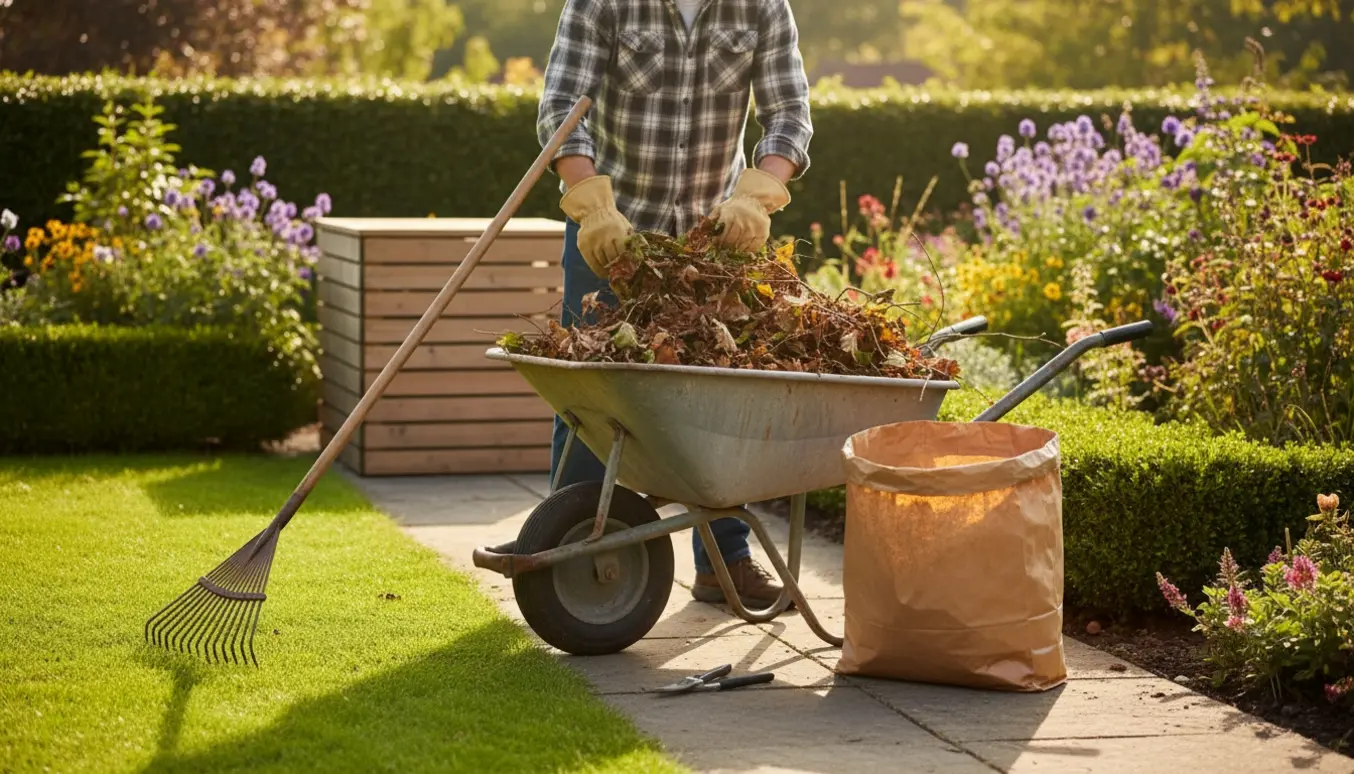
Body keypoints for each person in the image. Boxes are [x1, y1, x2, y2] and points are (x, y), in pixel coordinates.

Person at [535, 0, 813, 609]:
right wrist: (589, 202)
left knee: (721, 393)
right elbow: (562, 109)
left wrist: (758, 195)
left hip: (718, 236)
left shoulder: (761, 6)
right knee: (591, 393)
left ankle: (724, 560)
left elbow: (789, 114)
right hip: (612, 234)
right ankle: (576, 547)